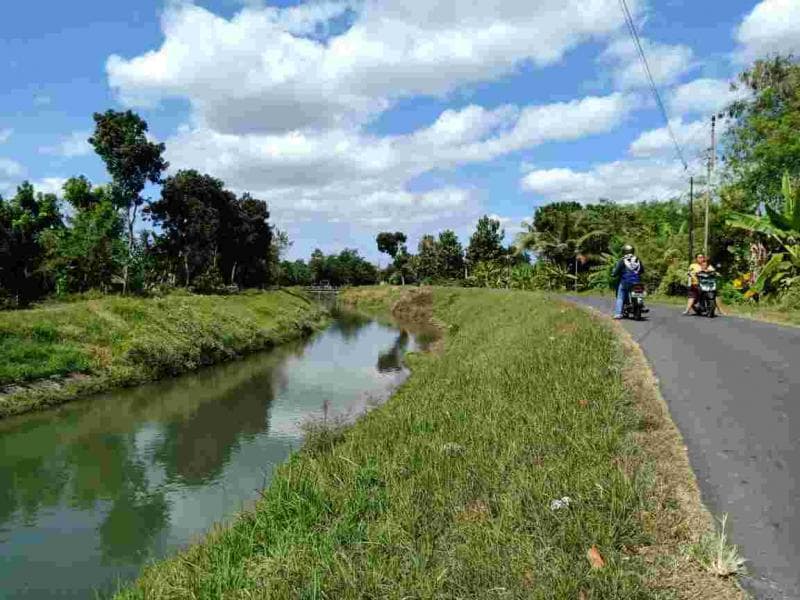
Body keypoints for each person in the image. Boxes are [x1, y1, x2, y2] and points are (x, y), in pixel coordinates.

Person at [612, 244, 644, 319]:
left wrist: (613, 274)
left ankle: (618, 314)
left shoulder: (622, 260)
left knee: (620, 296)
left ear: (624, 251)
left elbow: (615, 272)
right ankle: (641, 305)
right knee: (639, 292)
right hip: (637, 282)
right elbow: (642, 270)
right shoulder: (637, 259)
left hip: (625, 282)